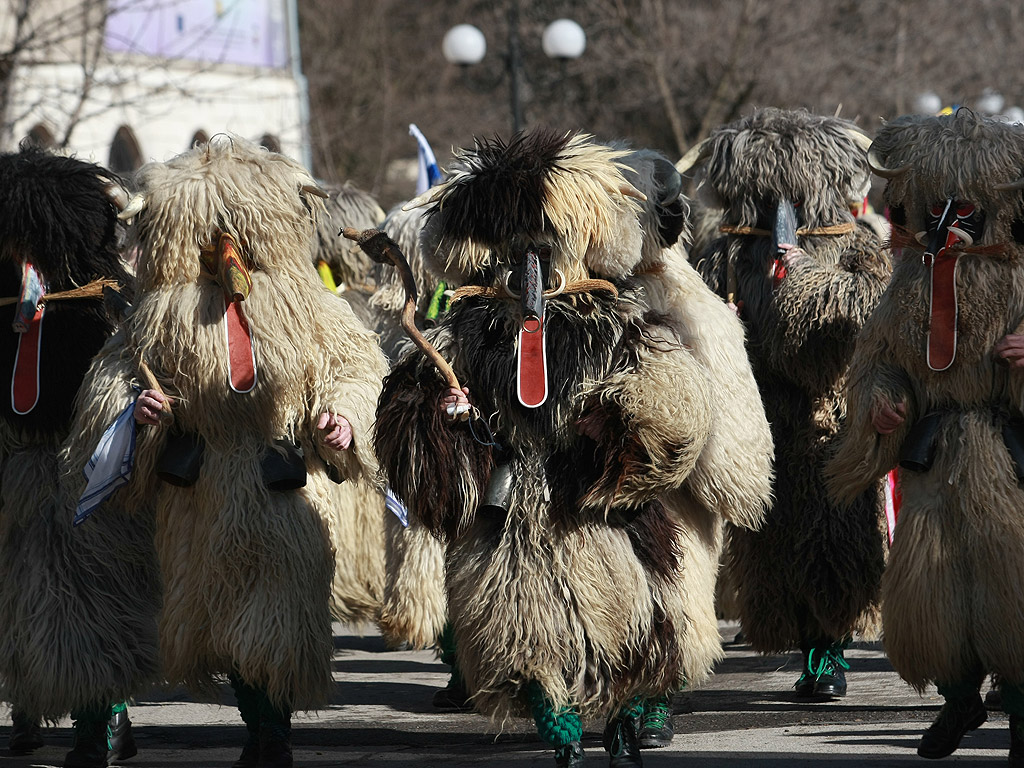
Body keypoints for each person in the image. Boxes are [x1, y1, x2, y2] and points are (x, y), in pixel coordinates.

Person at [373, 129, 768, 767]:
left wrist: (619, 427)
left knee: (620, 628)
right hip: (508, 508)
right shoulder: (472, 325)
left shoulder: (616, 319)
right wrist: (438, 416)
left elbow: (673, 398)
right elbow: (413, 403)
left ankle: (624, 717)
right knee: (514, 634)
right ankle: (558, 729)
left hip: (591, 500)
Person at [65, 135, 387, 768]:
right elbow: (113, 385)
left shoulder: (308, 307)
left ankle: (272, 732)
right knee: (220, 623)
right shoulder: (158, 315)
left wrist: (343, 421)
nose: (225, 245)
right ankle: (256, 717)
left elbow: (355, 368)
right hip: (199, 496)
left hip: (284, 490)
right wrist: (140, 414)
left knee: (278, 620)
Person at [828, 109, 1024, 764]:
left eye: (961, 204)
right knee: (928, 592)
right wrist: (883, 402)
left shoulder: (1019, 274)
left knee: (1011, 590)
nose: (946, 219)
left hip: (1008, 456)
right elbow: (880, 360)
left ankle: (1021, 715)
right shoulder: (908, 279)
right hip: (933, 462)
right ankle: (957, 696)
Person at [681, 108, 891, 699]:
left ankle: (829, 654)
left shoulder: (854, 246)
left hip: (831, 418)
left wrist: (809, 278)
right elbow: (685, 311)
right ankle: (801, 641)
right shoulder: (724, 254)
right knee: (768, 542)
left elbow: (874, 307)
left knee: (837, 537)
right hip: (758, 418)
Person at [0, 145, 155, 768]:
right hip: (19, 472)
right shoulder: (7, 291)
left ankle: (102, 724)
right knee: (26, 602)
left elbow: (139, 370)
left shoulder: (111, 298)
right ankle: (33, 706)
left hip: (91, 468)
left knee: (97, 598)